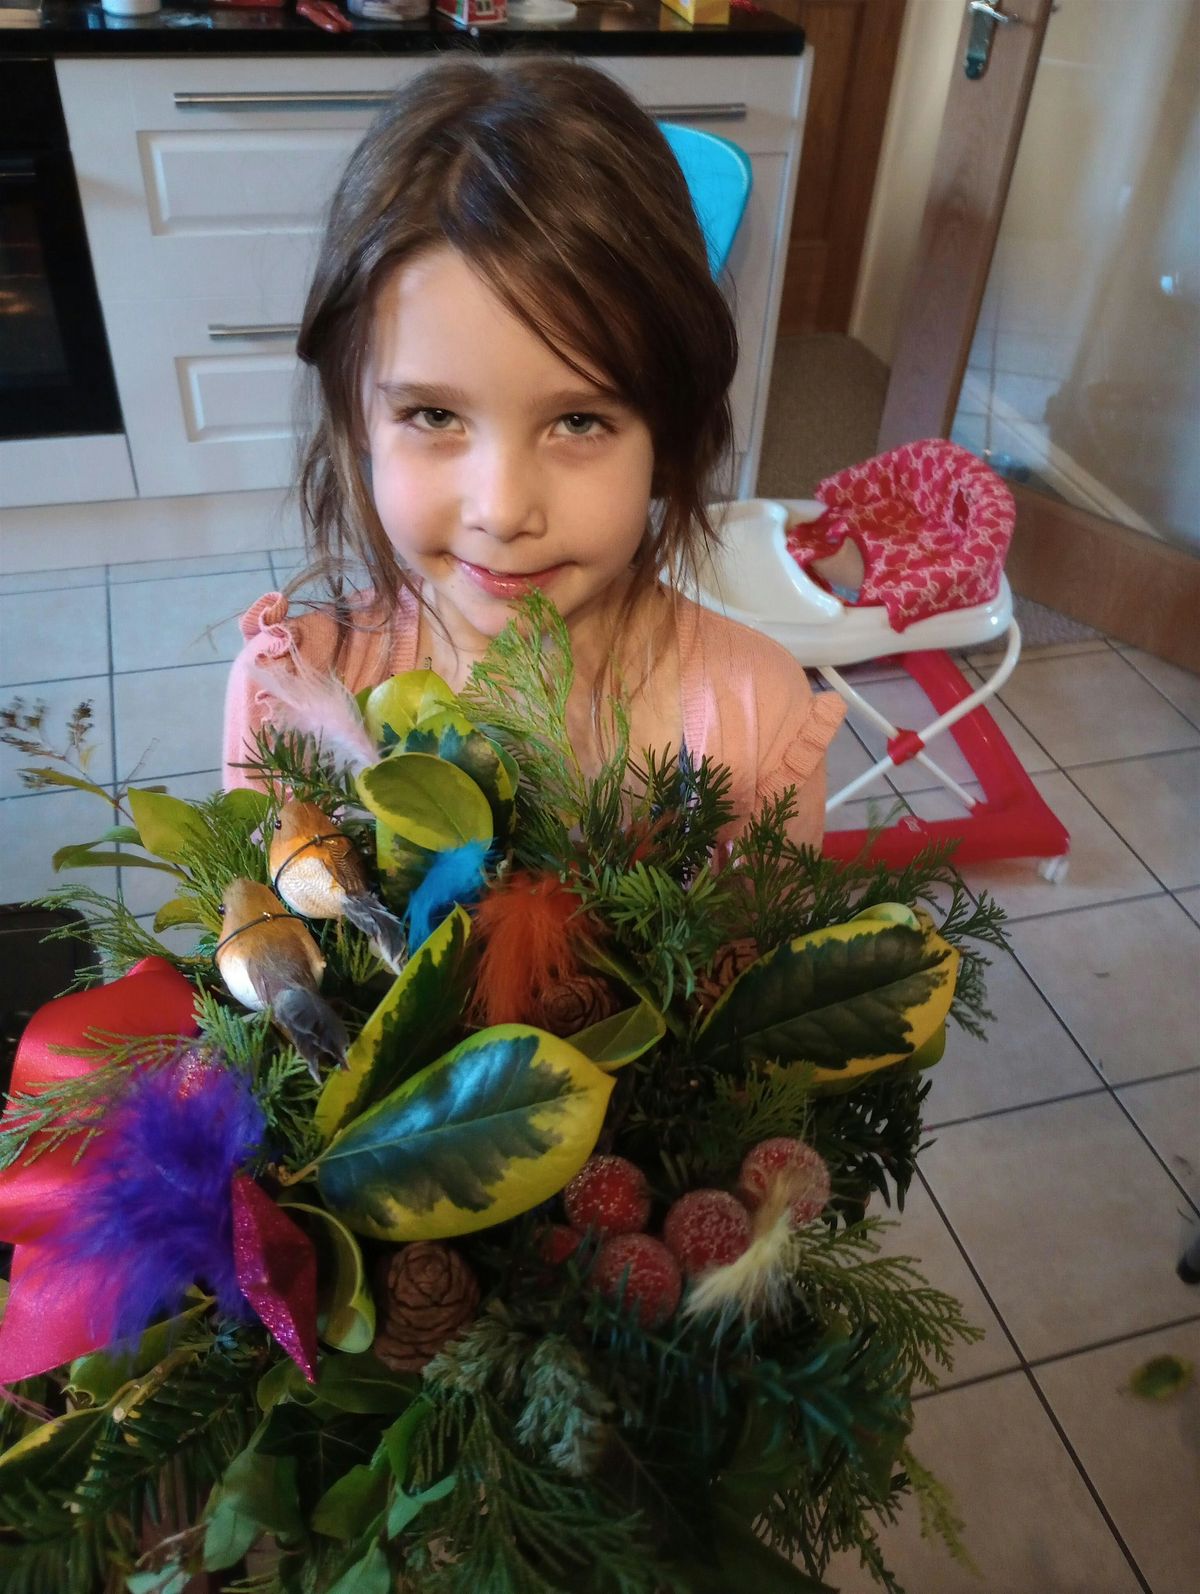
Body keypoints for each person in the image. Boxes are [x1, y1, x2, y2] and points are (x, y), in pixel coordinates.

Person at [223, 55, 844, 847]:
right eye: (435, 414)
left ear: (667, 431)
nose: (504, 510)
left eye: (578, 422)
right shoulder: (290, 697)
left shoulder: (755, 710)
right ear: (356, 419)